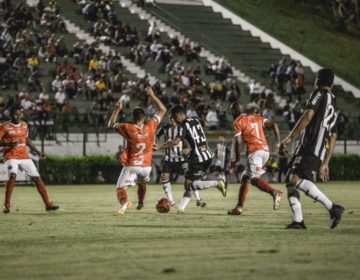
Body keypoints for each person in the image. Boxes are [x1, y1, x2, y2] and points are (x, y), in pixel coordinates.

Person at [280, 68, 344, 229]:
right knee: (289, 179)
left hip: (310, 146)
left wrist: (289, 138)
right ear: (332, 83)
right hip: (317, 148)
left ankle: (332, 207)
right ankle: (298, 221)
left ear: (319, 80)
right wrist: (326, 162)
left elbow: (307, 116)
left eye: (316, 78)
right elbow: (334, 136)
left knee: (294, 179)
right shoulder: (334, 103)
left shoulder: (319, 94)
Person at [155, 105, 226, 213]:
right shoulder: (196, 119)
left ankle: (217, 184)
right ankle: (181, 209)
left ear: (180, 115)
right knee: (189, 183)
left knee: (189, 185)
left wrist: (159, 147)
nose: (174, 119)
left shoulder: (183, 125)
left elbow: (175, 142)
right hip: (207, 156)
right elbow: (208, 124)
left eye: (174, 117)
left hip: (197, 159)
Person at [108, 87, 166, 216]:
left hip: (133, 165)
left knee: (120, 188)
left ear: (132, 117)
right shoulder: (151, 125)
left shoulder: (128, 128)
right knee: (142, 183)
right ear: (144, 117)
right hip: (146, 166)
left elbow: (111, 124)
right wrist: (152, 95)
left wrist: (117, 110)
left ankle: (124, 203)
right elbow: (163, 109)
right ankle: (140, 202)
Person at [227, 101, 283, 215]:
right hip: (265, 151)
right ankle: (239, 207)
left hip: (255, 151)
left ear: (233, 111)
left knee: (253, 179)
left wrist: (237, 158)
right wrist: (278, 142)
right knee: (245, 177)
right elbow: (274, 124)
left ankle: (274, 192)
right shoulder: (257, 117)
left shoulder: (238, 121)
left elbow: (238, 142)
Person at [0, 107, 59, 213]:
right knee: (13, 175)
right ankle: (6, 206)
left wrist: (37, 152)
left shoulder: (24, 125)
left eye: (19, 114)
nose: (18, 116)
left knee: (37, 178)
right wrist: (8, 144)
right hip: (10, 156)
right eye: (15, 114)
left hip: (24, 156)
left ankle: (48, 205)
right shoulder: (4, 126)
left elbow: (26, 139)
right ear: (10, 115)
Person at [156, 117, 206, 208]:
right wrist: (154, 142)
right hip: (169, 158)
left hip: (181, 158)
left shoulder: (182, 128)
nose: (172, 121)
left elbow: (188, 141)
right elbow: (156, 134)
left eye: (173, 119)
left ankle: (198, 199)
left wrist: (188, 149)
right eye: (170, 119)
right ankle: (171, 201)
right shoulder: (164, 127)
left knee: (191, 177)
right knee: (164, 177)